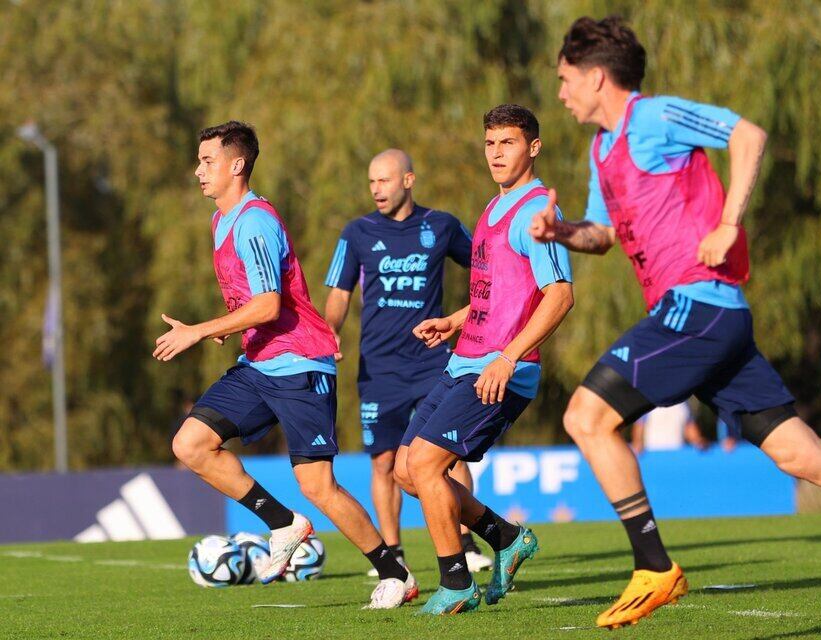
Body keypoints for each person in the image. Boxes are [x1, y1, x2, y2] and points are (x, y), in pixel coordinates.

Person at [530, 16, 821, 629]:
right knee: (801, 453)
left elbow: (748, 135)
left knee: (586, 415)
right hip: (702, 321)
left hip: (699, 305)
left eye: (566, 79)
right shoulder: (602, 149)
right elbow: (601, 237)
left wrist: (729, 221)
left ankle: (654, 566)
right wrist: (562, 232)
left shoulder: (654, 117)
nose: (562, 92)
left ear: (597, 76)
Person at [156, 121, 415, 609]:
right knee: (190, 443)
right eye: (198, 161)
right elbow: (255, 303)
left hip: (300, 364)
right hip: (260, 363)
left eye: (207, 161)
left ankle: (394, 571)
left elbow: (270, 304)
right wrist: (235, 325)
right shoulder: (222, 220)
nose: (198, 171)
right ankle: (282, 523)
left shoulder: (255, 220)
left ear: (237, 165)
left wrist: (200, 329)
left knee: (317, 484)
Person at [393, 104, 574, 615]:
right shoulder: (493, 209)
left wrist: (509, 358)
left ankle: (455, 583)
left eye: (508, 143)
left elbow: (558, 294)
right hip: (465, 359)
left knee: (426, 464)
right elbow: (500, 293)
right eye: (490, 143)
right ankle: (507, 537)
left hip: (501, 370)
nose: (496, 154)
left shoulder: (538, 211)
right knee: (408, 471)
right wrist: (454, 321)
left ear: (533, 147)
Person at [323, 148, 492, 574]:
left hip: (434, 362)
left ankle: (467, 543)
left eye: (384, 180)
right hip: (379, 367)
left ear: (408, 181)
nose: (376, 189)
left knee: (447, 455)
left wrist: (473, 316)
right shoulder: (356, 232)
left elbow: (488, 269)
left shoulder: (443, 225)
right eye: (371, 182)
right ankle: (393, 552)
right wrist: (329, 333)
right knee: (382, 461)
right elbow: (340, 293)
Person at [630, 401, 707, 454]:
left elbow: (689, 427)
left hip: (677, 452)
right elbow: (640, 425)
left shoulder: (684, 404)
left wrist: (698, 441)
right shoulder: (649, 402)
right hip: (653, 453)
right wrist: (638, 442)